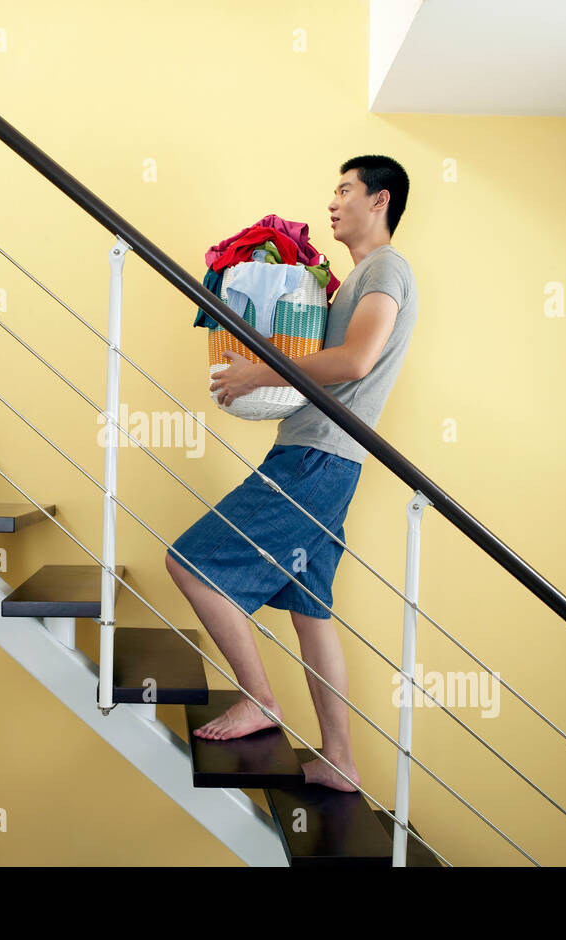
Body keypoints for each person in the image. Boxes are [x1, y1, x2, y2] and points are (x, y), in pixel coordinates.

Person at [165, 155, 419, 791]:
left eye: (345, 190)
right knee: (311, 609)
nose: (333, 203)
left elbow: (356, 360)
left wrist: (259, 371)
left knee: (190, 564)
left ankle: (260, 700)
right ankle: (340, 760)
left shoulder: (386, 269)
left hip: (317, 458)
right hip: (324, 456)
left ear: (379, 200)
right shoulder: (359, 276)